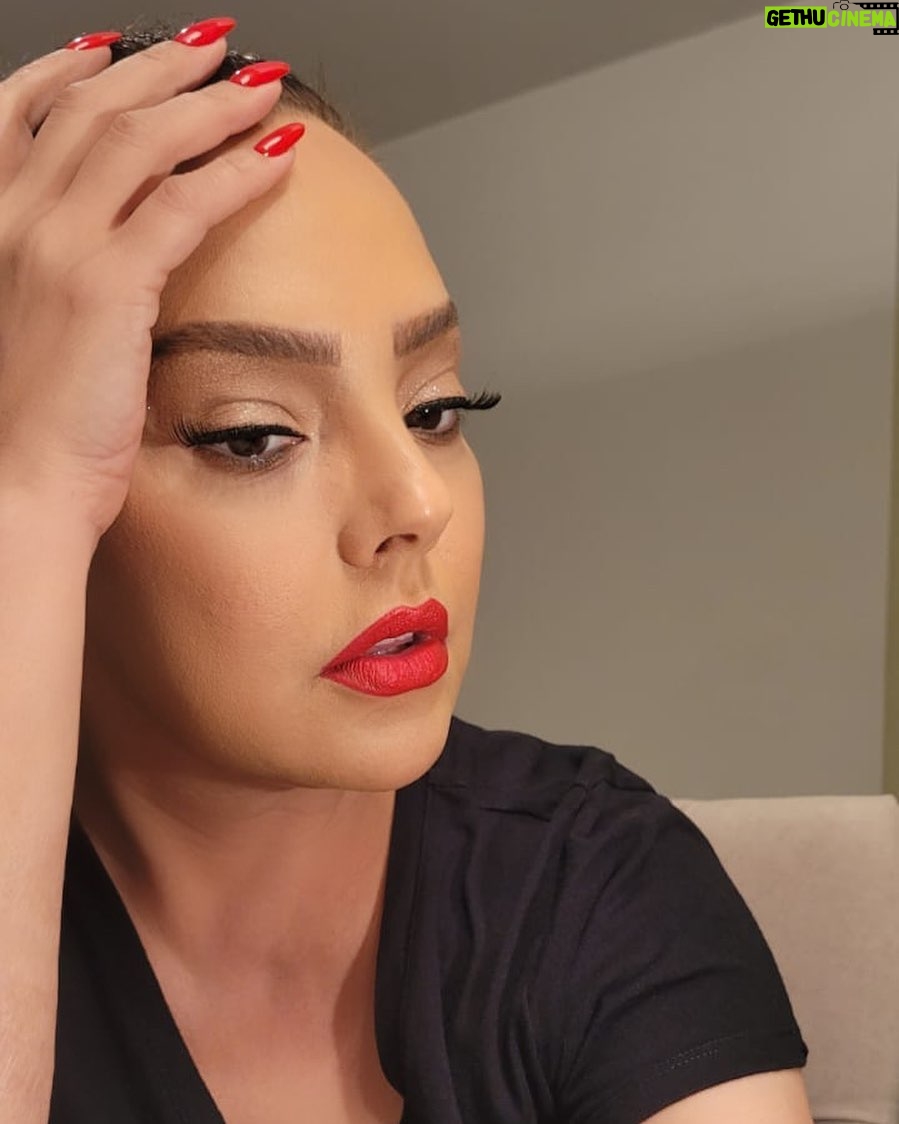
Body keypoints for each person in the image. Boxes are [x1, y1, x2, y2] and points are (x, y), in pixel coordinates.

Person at [0, 14, 814, 1124]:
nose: (417, 504)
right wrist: (26, 507)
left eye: (434, 408)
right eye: (251, 433)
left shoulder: (589, 877)